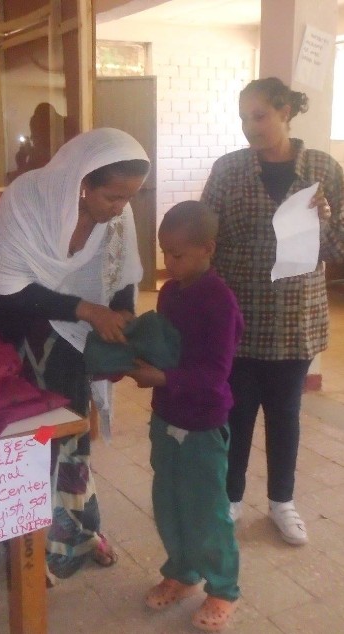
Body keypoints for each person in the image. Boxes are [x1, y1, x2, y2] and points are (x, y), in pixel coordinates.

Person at [0, 127, 150, 585]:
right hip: (15, 327)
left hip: (69, 338)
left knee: (71, 434)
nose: (121, 207)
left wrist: (123, 315)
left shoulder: (118, 215)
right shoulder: (25, 200)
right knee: (29, 442)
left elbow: (123, 275)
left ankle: (76, 531)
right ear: (83, 183)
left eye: (130, 197)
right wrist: (89, 310)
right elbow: (7, 288)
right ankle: (26, 548)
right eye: (113, 196)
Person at [201, 77, 344, 546]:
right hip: (238, 315)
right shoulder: (229, 170)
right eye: (244, 118)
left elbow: (338, 249)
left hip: (294, 318)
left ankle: (282, 501)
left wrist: (325, 220)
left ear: (285, 112)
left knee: (285, 414)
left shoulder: (323, 168)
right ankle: (230, 497)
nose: (250, 127)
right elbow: (206, 238)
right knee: (236, 413)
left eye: (259, 116)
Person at [126, 201, 242, 632]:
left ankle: (223, 588)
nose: (168, 262)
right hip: (166, 417)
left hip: (203, 425)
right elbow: (166, 346)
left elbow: (215, 374)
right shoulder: (170, 293)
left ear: (207, 249)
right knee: (169, 502)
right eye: (164, 252)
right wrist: (136, 351)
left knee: (206, 510)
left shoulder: (220, 301)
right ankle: (182, 572)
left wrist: (163, 377)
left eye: (177, 254)